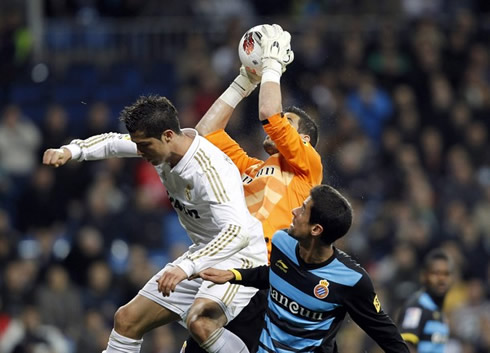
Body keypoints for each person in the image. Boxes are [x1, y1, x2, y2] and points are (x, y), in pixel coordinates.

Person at [42, 94, 269, 353]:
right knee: (126, 320)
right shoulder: (161, 146)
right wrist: (71, 151)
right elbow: (113, 143)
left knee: (200, 323)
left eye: (144, 145)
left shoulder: (208, 170)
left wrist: (185, 267)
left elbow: (237, 232)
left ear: (168, 135)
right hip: (202, 255)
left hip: (239, 257)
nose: (139, 152)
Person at [184, 24, 322, 353]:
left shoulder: (307, 165)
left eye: (289, 120)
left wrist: (273, 67)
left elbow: (268, 113)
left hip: (263, 271)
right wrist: (244, 80)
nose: (279, 121)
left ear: (301, 140)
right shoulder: (253, 168)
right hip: (230, 263)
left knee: (201, 324)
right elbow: (204, 133)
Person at [199, 184, 410, 353]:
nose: (294, 211)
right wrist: (234, 275)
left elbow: (383, 330)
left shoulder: (351, 280)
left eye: (303, 209)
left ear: (316, 229)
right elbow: (275, 274)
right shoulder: (282, 242)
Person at [396, 249, 453, 353]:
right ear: (424, 276)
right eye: (436, 273)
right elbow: (405, 347)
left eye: (446, 274)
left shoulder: (438, 310)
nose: (442, 279)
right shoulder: (416, 306)